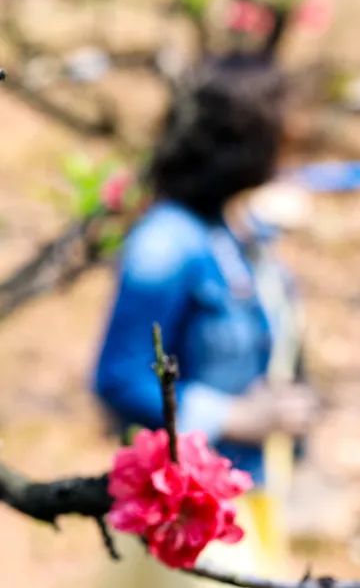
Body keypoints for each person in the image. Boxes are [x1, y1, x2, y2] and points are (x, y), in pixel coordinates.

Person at [93, 56, 315, 581]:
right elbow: (118, 377)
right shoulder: (167, 242)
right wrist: (235, 417)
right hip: (184, 522)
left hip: (248, 499)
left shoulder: (237, 232)